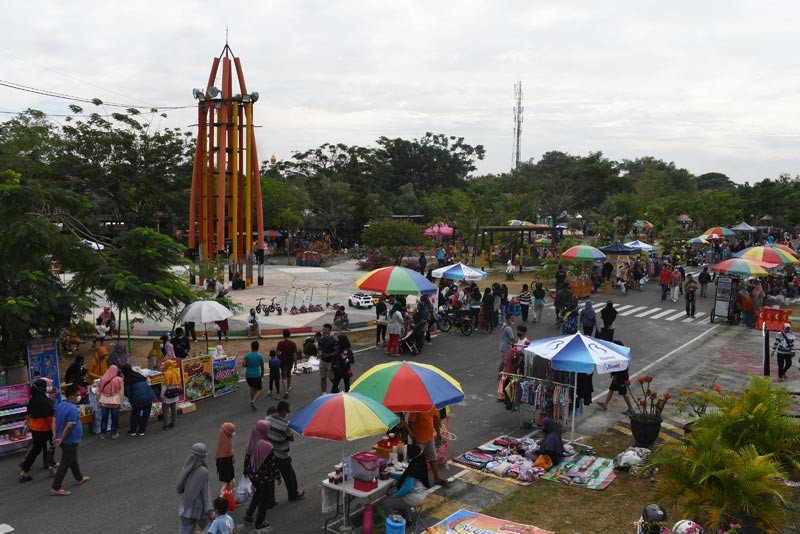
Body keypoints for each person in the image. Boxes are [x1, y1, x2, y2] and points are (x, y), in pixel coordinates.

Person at [51, 383, 89, 496]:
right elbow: (69, 426)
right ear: (72, 396)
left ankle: (79, 478)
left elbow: (54, 421)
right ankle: (56, 488)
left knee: (73, 459)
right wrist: (61, 439)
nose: (79, 396)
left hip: (63, 439)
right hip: (69, 440)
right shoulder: (73, 409)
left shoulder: (60, 405)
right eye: (78, 394)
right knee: (65, 463)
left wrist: (55, 436)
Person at [243, 420, 281, 529]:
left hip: (253, 474)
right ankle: (259, 522)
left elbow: (247, 459)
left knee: (257, 493)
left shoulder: (251, 441)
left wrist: (245, 471)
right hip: (264, 477)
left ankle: (248, 515)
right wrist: (278, 477)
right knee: (264, 499)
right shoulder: (268, 446)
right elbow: (273, 463)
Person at [18, 378, 56, 482]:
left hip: (34, 428)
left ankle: (24, 472)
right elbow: (50, 418)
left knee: (36, 449)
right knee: (51, 447)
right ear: (42, 388)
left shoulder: (32, 399)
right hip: (45, 428)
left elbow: (28, 414)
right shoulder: (45, 401)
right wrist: (54, 431)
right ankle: (51, 469)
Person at [266, 400, 305, 502]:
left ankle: (270, 500)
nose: (286, 414)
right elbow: (291, 438)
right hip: (282, 455)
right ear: (282, 411)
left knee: (270, 476)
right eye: (286, 412)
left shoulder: (268, 419)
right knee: (289, 476)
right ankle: (293, 495)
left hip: (270, 452)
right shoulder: (286, 424)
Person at [383, 444, 430, 519]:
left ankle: (395, 523)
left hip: (413, 498)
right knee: (399, 495)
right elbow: (406, 477)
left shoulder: (413, 468)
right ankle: (407, 517)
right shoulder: (420, 462)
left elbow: (407, 488)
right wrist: (392, 475)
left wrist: (394, 496)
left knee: (386, 502)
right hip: (421, 493)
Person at [407, 406, 449, 487]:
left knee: (433, 459)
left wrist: (438, 433)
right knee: (416, 463)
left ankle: (437, 478)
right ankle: (414, 483)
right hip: (419, 440)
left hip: (430, 438)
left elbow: (436, 420)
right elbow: (410, 423)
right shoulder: (416, 408)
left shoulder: (432, 407)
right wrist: (413, 437)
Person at [177, 443, 212, 534]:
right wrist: (210, 511)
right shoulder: (203, 471)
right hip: (199, 510)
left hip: (185, 507)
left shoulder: (186, 467)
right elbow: (206, 494)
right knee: (210, 528)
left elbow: (179, 487)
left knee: (184, 531)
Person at [597, 340, 635, 414]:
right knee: (611, 389)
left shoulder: (620, 356)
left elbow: (617, 367)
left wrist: (613, 372)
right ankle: (605, 404)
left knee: (623, 393)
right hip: (617, 376)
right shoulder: (621, 354)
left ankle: (631, 409)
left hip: (621, 377)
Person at [121, 365, 156, 436]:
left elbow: (128, 393)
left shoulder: (128, 379)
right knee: (146, 414)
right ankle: (141, 431)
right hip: (149, 395)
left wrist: (131, 400)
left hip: (138, 398)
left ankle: (133, 431)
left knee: (135, 414)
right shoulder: (138, 375)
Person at [97, 365, 124, 439]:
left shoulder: (102, 379)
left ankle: (102, 434)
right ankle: (113, 434)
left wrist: (99, 400)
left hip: (104, 401)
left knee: (104, 418)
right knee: (114, 418)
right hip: (115, 401)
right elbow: (121, 393)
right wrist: (121, 403)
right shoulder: (119, 379)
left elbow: (98, 392)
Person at [276, 329, 299, 397]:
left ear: (283, 335)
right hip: (290, 361)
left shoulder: (280, 343)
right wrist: (295, 364)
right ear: (289, 335)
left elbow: (278, 353)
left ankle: (286, 391)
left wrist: (279, 357)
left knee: (284, 376)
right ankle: (288, 387)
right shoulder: (292, 344)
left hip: (282, 361)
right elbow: (294, 354)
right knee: (289, 374)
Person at [160, 359, 182, 431]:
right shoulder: (176, 372)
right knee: (174, 409)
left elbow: (164, 387)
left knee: (166, 411)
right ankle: (173, 422)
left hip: (168, 396)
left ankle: (165, 425)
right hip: (175, 395)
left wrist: (162, 395)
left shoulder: (167, 374)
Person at [243, 341, 265, 411]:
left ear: (251, 347)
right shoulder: (260, 356)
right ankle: (253, 401)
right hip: (256, 375)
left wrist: (248, 365)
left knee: (252, 388)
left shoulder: (247, 355)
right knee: (259, 389)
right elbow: (262, 366)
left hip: (248, 375)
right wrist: (262, 374)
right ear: (258, 347)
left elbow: (244, 364)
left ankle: (253, 401)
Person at [215, 422, 236, 490]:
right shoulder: (226, 444)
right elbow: (228, 452)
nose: (233, 433)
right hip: (225, 464)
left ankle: (230, 494)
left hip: (226, 463)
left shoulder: (224, 439)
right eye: (232, 431)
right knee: (226, 483)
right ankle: (223, 498)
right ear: (228, 432)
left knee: (230, 479)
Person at [318, 324, 337, 392]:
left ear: (329, 330)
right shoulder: (321, 340)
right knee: (323, 378)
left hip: (330, 362)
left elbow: (336, 352)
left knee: (331, 378)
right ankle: (324, 393)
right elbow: (319, 348)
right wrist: (319, 353)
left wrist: (328, 355)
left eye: (325, 330)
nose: (323, 331)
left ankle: (336, 387)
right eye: (323, 329)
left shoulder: (333, 340)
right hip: (323, 361)